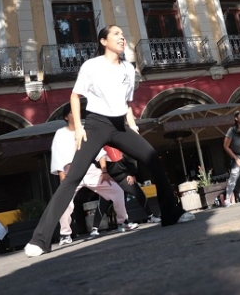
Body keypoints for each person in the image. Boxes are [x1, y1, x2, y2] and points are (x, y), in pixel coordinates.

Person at [24, 25, 194, 257]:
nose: (122, 37)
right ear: (103, 41)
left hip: (120, 126)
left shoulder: (128, 68)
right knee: (72, 178)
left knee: (154, 160)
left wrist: (132, 124)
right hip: (96, 125)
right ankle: (39, 240)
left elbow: (125, 103)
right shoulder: (91, 66)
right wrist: (79, 129)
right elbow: (75, 95)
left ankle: (170, 213)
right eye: (116, 34)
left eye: (123, 34)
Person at [50, 104, 132, 247]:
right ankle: (65, 234)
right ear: (65, 117)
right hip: (70, 172)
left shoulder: (85, 130)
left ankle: (122, 222)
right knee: (64, 202)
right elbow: (57, 156)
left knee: (117, 190)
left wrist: (105, 172)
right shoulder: (60, 134)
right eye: (71, 113)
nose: (75, 115)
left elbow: (99, 151)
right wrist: (62, 176)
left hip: (89, 169)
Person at [89, 146, 161, 237]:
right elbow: (96, 167)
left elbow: (131, 161)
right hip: (110, 180)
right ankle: (95, 228)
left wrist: (132, 174)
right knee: (103, 202)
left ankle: (151, 216)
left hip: (123, 177)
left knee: (139, 193)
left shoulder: (121, 147)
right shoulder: (100, 152)